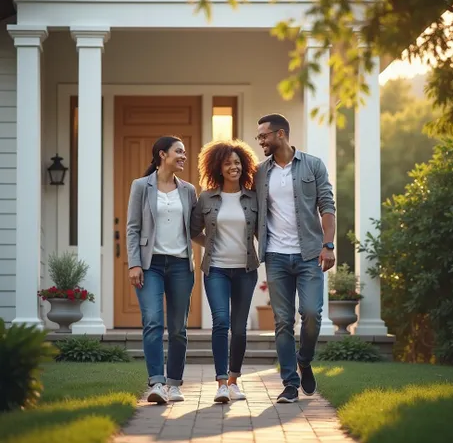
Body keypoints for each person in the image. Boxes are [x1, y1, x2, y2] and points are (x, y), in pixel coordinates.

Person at [254, 113, 336, 403]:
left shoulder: (312, 165)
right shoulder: (260, 172)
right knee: (282, 321)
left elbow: (327, 205)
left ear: (280, 135)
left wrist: (328, 244)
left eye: (263, 135)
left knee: (312, 314)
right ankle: (290, 383)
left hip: (310, 254)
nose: (260, 141)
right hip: (275, 256)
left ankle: (305, 359)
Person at [127, 136, 202, 405]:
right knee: (153, 322)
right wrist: (134, 263)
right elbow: (132, 228)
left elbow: (195, 230)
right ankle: (157, 383)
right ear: (162, 154)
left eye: (184, 152)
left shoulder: (189, 190)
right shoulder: (140, 186)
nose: (183, 156)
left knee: (178, 328)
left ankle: (174, 384)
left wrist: (222, 243)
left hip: (182, 265)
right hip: (151, 265)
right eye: (178, 152)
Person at [191, 140, 259, 403]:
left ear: (245, 166)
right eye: (228, 163)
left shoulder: (253, 197)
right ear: (218, 167)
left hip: (245, 270)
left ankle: (233, 381)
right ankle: (220, 382)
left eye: (237, 162)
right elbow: (194, 230)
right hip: (216, 269)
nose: (234, 167)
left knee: (240, 329)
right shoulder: (206, 197)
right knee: (221, 322)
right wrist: (210, 243)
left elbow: (262, 230)